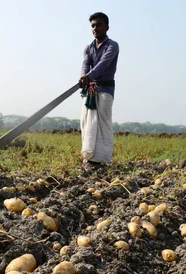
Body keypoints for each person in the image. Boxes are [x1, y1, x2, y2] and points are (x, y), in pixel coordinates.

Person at [79, 12, 119, 168]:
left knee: (102, 122)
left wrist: (88, 76)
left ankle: (101, 160)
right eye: (93, 26)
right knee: (87, 122)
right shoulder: (88, 48)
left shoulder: (112, 46)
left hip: (105, 89)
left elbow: (103, 65)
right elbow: (85, 63)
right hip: (90, 89)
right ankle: (88, 157)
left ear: (107, 27)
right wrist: (83, 75)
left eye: (99, 25)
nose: (95, 28)